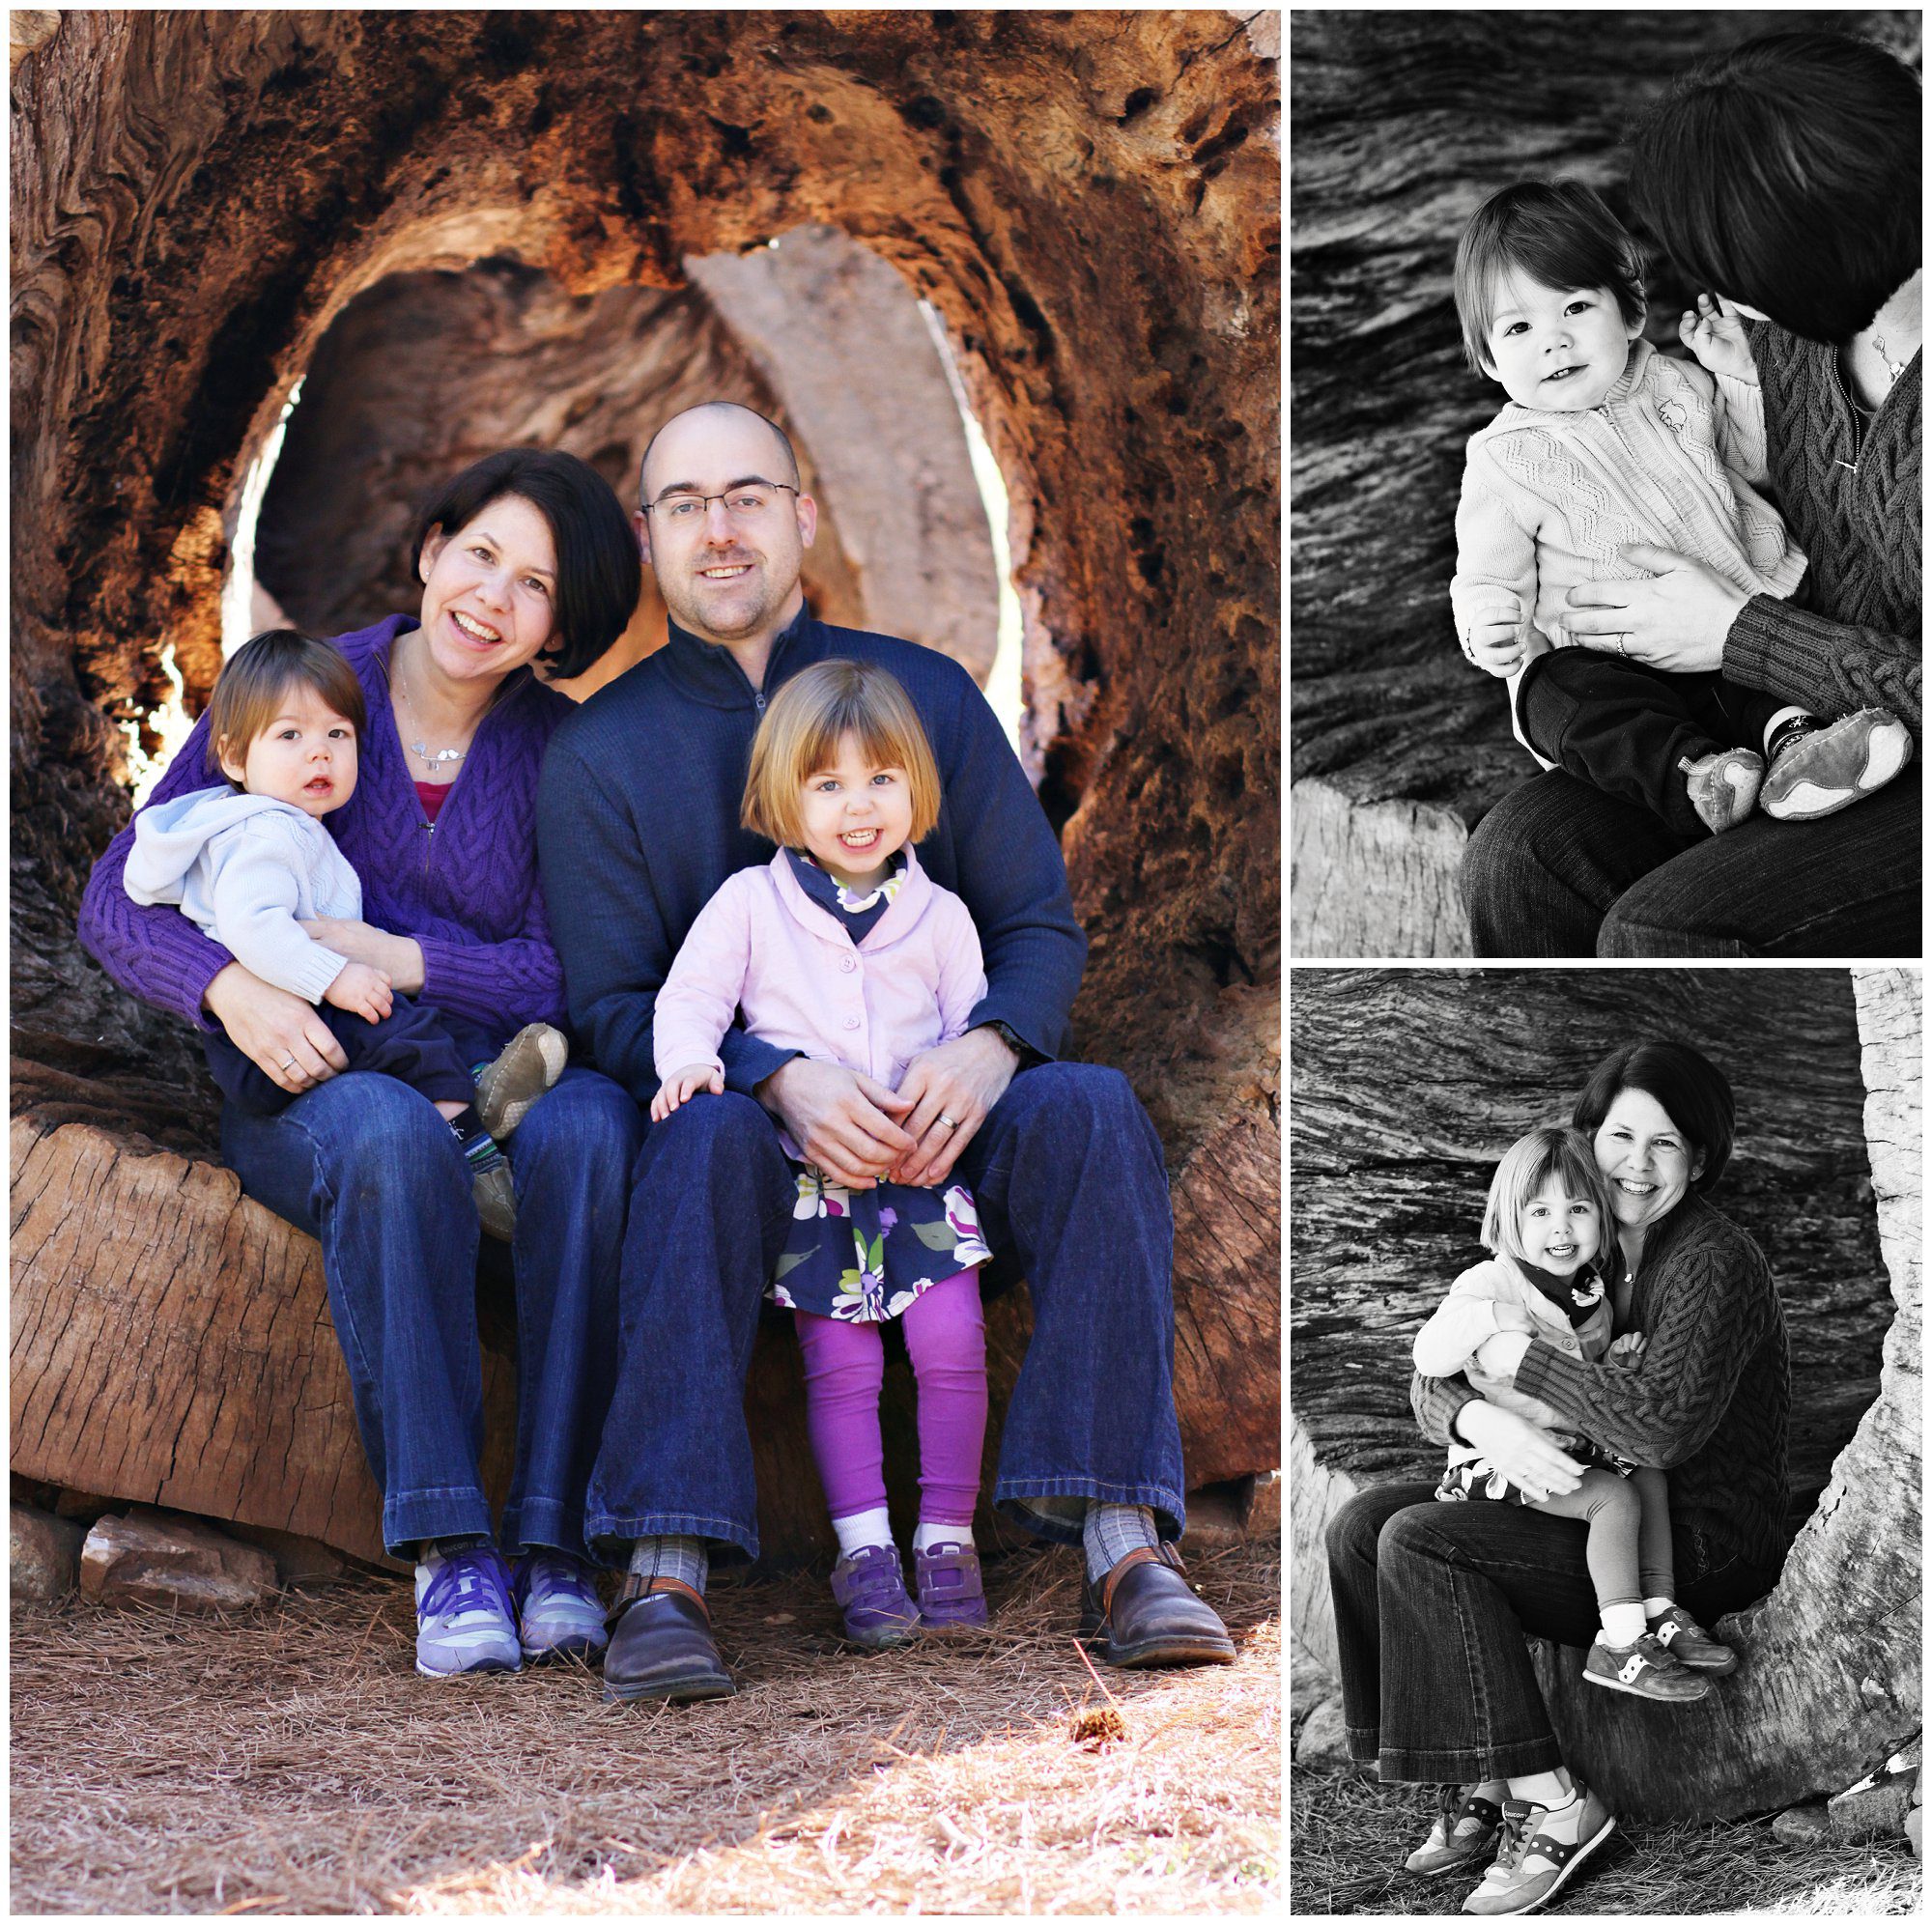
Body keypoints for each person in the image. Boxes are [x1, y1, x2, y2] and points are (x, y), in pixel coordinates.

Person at [538, 399, 1236, 1706]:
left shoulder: (923, 696)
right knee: (698, 1132)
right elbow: (612, 1008)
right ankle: (666, 1566)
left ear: (804, 514)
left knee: (1088, 1108)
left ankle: (1125, 1544)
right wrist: (771, 1076)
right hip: (751, 1159)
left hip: (940, 1125)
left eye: (749, 493)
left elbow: (1033, 926)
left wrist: (989, 1051)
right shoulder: (600, 751)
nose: (721, 527)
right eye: (685, 504)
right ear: (648, 538)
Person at [79, 448, 645, 1680]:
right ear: (433, 548)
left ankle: (555, 1543)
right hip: (315, 1080)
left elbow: (572, 971)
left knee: (595, 1135)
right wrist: (223, 985)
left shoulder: (567, 751)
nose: (492, 597)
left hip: (514, 1079)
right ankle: (448, 1546)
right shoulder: (303, 682)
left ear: (564, 623)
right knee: (388, 1132)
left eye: (536, 585)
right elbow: (120, 892)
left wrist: (402, 951)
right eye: (481, 554)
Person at [1461, 30, 1920, 954]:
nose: (1701, 285)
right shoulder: (1786, 333)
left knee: (1665, 927)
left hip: (1866, 723)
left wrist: (1743, 634)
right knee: (1518, 859)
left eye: (1716, 256)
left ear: (1793, 247)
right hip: (1752, 695)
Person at [1326, 1041, 1789, 1917]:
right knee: (1361, 1524)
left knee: (1422, 1540)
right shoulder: (1579, 1251)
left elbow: (1661, 1423)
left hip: (1687, 1545)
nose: (1638, 1164)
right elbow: (1438, 1368)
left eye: (1667, 1143)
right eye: (1622, 1135)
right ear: (1589, 1136)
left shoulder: (1710, 1261)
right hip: (1594, 1506)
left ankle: (1554, 1801)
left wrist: (1522, 1364)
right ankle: (1474, 1774)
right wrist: (1477, 1417)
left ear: (1701, 1155)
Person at [652, 658, 996, 1647]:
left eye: (881, 780)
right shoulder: (749, 906)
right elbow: (691, 1001)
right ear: (782, 795)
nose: (858, 807)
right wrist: (686, 1063)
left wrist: (944, 1095)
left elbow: (968, 1032)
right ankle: (863, 1550)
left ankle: (946, 1536)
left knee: (950, 1347)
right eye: (828, 783)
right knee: (839, 1369)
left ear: (914, 790)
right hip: (816, 1188)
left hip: (920, 1181)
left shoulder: (941, 917)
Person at [1449, 180, 1911, 836]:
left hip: (1735, 613)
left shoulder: (1676, 382)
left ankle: (1801, 750)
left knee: (1768, 678)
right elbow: (1489, 576)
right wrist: (1487, 623)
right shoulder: (1503, 461)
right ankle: (1700, 778)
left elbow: (1756, 465)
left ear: (1631, 314)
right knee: (1550, 691)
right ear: (1489, 358)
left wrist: (1736, 379)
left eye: (1576, 308)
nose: (1553, 342)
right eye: (1519, 328)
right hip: (1620, 659)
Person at [123, 627, 567, 1239]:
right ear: (231, 757)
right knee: (407, 1036)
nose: (319, 754)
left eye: (338, 735)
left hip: (309, 1011)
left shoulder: (294, 826)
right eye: (289, 736)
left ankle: (481, 1081)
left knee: (424, 1024)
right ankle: (473, 1154)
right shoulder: (261, 835)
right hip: (276, 1036)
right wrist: (336, 976)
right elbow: (254, 929)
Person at [1412, 1125, 1733, 1716]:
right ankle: (1619, 1642)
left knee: (1647, 1475)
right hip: (1491, 1465)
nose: (1560, 1228)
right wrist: (1490, 1317)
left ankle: (1660, 1611)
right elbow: (1430, 1359)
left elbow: (1578, 1383)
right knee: (1612, 1500)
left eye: (1578, 1209)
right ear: (1509, 1218)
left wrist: (1611, 1361)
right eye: (1539, 1211)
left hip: (1566, 1447)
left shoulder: (1589, 1292)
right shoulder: (1492, 1280)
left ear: (1600, 1219)